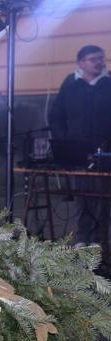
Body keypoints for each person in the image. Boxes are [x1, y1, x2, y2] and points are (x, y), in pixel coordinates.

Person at [48, 44, 111, 251]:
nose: (100, 62)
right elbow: (57, 115)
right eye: (94, 59)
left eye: (101, 58)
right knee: (81, 195)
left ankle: (99, 241)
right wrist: (63, 140)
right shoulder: (70, 84)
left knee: (101, 197)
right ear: (81, 63)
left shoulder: (108, 82)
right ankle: (82, 238)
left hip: (104, 152)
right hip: (76, 152)